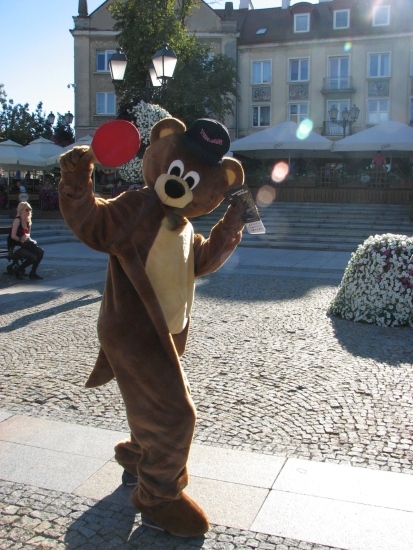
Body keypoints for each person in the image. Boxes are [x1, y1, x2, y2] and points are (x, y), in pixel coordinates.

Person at [9, 201, 44, 280]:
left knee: (40, 251)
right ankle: (18, 270)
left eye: (30, 210)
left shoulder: (28, 222)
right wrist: (21, 239)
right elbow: (13, 236)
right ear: (21, 210)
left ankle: (33, 272)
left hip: (26, 245)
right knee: (33, 257)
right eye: (26, 210)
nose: (29, 212)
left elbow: (28, 235)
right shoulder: (17, 220)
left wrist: (30, 239)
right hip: (16, 245)